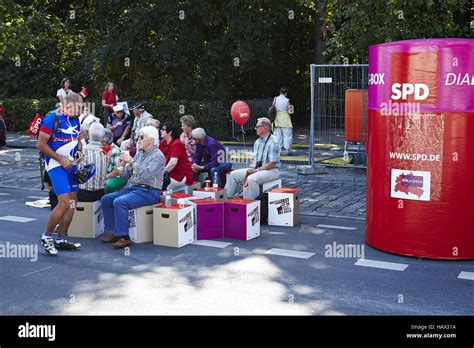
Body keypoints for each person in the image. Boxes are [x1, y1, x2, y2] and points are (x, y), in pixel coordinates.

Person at [100, 126, 165, 249]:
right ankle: (116, 231)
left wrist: (132, 162)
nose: (138, 139)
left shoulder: (158, 156)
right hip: (134, 187)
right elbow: (127, 175)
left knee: (120, 202)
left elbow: (146, 174)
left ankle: (124, 237)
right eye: (138, 136)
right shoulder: (140, 153)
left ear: (151, 140)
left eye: (141, 137)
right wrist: (120, 168)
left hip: (149, 191)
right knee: (106, 199)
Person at [37, 92, 85, 255]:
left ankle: (61, 238)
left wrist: (79, 150)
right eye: (79, 107)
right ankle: (46, 236)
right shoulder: (52, 118)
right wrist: (60, 159)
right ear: (69, 105)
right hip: (55, 163)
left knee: (73, 200)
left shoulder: (75, 118)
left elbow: (76, 140)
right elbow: (41, 144)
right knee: (64, 201)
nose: (81, 111)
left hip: (70, 163)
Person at [225, 118, 280, 200]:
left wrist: (256, 170)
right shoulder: (258, 141)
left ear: (264, 128)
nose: (255, 128)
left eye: (257, 126)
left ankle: (253, 205)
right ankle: (226, 199)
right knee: (233, 175)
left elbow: (272, 163)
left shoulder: (273, 141)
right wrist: (251, 169)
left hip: (272, 170)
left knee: (252, 179)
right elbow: (255, 160)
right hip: (259, 169)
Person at [78, 123, 110, 202]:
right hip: (100, 193)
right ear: (102, 137)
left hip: (82, 193)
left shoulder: (82, 150)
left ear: (89, 134)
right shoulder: (107, 153)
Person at [159, 122, 193, 190]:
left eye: (163, 129)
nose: (161, 131)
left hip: (180, 175)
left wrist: (160, 174)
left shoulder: (177, 144)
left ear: (170, 132)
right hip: (169, 173)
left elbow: (172, 163)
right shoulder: (163, 142)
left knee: (155, 183)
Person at [102, 129, 127, 194]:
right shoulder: (101, 149)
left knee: (107, 184)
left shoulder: (116, 151)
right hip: (105, 175)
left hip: (117, 177)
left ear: (104, 141)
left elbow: (116, 172)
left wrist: (101, 178)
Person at [273, 87, 294, 156]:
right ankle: (287, 150)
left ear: (280, 92)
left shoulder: (275, 99)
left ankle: (276, 150)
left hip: (277, 118)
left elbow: (273, 108)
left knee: (277, 135)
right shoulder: (287, 100)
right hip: (285, 118)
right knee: (287, 135)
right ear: (286, 93)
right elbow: (289, 111)